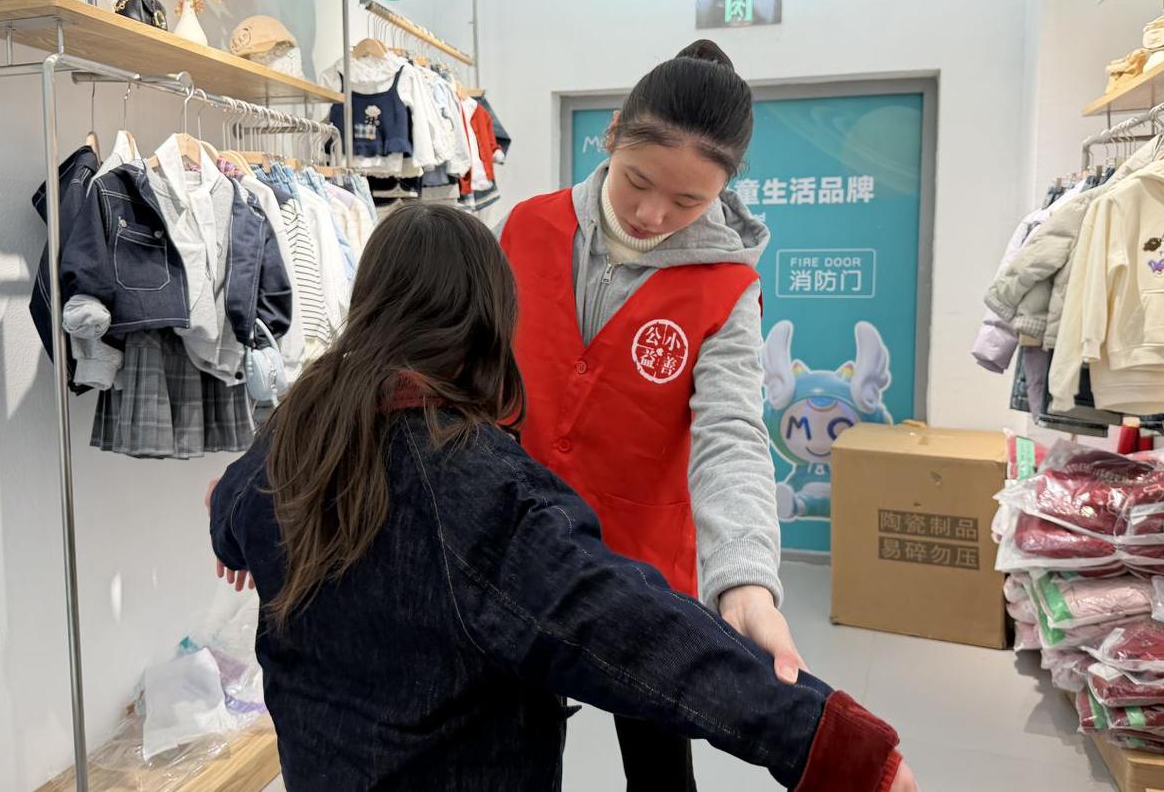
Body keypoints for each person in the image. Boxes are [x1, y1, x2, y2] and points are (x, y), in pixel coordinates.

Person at [207, 203, 918, 791]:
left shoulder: (296, 433)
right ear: (487, 318)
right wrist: (830, 742)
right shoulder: (478, 489)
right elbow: (640, 638)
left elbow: (230, 516)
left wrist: (235, 536)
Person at [496, 39, 795, 789]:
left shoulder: (726, 287)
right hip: (519, 541)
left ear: (724, 188)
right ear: (613, 134)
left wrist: (745, 579)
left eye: (688, 202)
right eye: (638, 180)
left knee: (659, 760)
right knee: (510, 740)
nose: (654, 213)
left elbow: (731, 434)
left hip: (644, 564)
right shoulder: (526, 228)